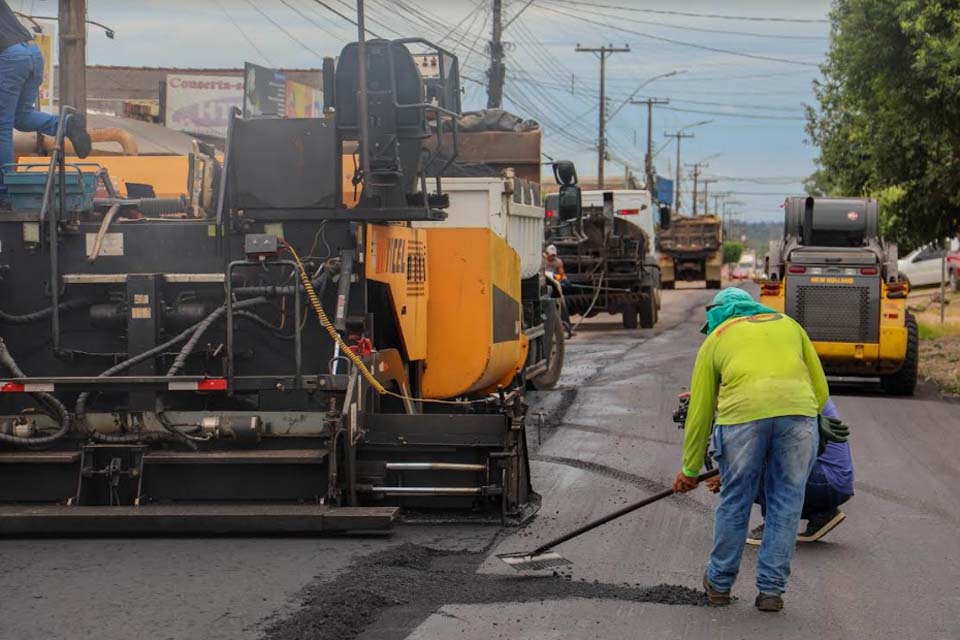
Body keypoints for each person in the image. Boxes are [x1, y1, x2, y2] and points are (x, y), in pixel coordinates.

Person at [673, 287, 828, 613]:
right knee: (786, 503)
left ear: (718, 315)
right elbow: (821, 392)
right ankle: (771, 591)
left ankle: (719, 584)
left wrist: (690, 469)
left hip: (742, 420)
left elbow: (700, 412)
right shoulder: (790, 325)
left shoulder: (716, 339)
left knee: (736, 499)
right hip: (799, 417)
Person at [0, 1, 90, 200]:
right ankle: (66, 124)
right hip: (33, 52)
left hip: (9, 56)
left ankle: (4, 192)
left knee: (1, 127)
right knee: (21, 117)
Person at [744, 396, 854, 545]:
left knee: (756, 455)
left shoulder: (785, 394)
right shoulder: (802, 386)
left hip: (825, 480)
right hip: (834, 481)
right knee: (744, 468)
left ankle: (774, 525)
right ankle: (820, 514)